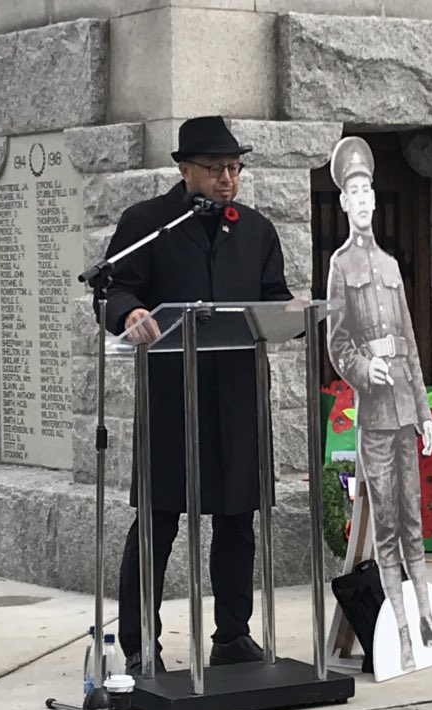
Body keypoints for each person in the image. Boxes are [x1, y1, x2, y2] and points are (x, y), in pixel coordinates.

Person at [102, 116, 295, 674]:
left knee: (237, 518)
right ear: (184, 168)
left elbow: (272, 298)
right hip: (172, 395)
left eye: (235, 168)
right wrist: (130, 311)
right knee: (159, 521)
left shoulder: (256, 230)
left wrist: (293, 314)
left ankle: (233, 635)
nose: (228, 179)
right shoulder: (147, 223)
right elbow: (116, 287)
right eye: (215, 169)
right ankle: (140, 646)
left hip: (237, 394)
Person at [325, 137, 432, 673]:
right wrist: (361, 369)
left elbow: (408, 342)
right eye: (352, 192)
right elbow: (336, 340)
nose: (361, 200)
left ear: (374, 201)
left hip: (404, 406)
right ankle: (400, 631)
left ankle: (426, 618)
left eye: (366, 191)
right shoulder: (340, 265)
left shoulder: (390, 265)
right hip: (375, 414)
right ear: (343, 203)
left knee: (413, 520)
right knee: (383, 529)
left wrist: (424, 412)